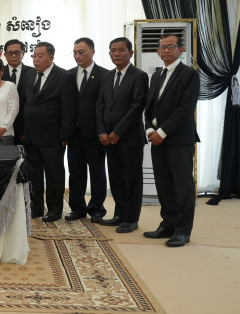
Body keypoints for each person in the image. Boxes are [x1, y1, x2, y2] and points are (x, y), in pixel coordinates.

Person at [144, 33, 200, 247]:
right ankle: (168, 224)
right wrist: (150, 129)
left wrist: (162, 132)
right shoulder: (156, 75)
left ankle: (183, 231)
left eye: (170, 47)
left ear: (180, 50)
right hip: (157, 139)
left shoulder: (189, 74)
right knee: (164, 184)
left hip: (178, 140)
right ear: (158, 51)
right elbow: (149, 107)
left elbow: (185, 109)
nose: (166, 50)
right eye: (162, 47)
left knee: (183, 187)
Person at [96, 37, 148, 233]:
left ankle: (131, 219)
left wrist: (117, 132)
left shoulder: (139, 76)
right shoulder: (106, 77)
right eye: (113, 50)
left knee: (132, 179)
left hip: (129, 138)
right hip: (108, 139)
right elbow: (100, 106)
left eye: (121, 50)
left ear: (130, 53)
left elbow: (136, 108)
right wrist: (102, 131)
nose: (116, 54)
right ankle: (119, 214)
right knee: (116, 177)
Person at [21, 42, 76, 221]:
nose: (36, 59)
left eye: (40, 56)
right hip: (30, 135)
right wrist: (22, 129)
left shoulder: (64, 77)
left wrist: (66, 133)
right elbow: (26, 103)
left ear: (51, 57)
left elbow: (69, 108)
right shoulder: (29, 75)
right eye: (34, 56)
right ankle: (36, 207)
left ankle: (54, 209)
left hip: (53, 136)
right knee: (34, 174)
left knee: (54, 175)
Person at [65, 38, 109, 223]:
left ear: (93, 52)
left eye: (81, 52)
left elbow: (106, 105)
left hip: (95, 133)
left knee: (97, 172)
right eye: (75, 52)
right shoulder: (68, 75)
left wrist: (103, 130)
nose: (77, 56)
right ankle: (77, 208)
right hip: (74, 133)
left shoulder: (105, 75)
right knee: (75, 172)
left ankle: (97, 209)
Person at [1, 39, 32, 145]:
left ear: (23, 54)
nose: (14, 55)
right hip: (2, 128)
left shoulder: (32, 73)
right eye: (10, 53)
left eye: (17, 52)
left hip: (26, 127)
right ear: (5, 55)